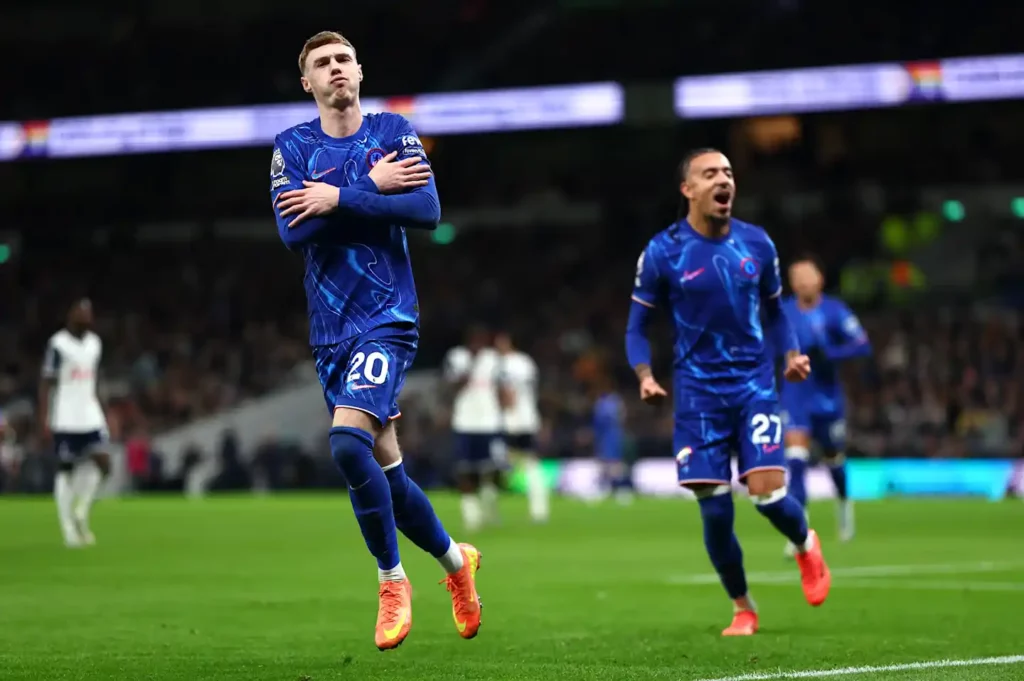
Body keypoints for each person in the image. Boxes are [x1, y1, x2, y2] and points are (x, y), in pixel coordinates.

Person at [268, 31, 481, 651]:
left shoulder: (392, 132)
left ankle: (392, 581)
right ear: (306, 83)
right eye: (321, 64)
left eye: (342, 59)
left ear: (359, 70)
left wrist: (339, 195)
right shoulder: (292, 147)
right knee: (385, 469)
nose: (335, 69)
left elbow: (427, 210)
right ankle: (456, 566)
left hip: (388, 314)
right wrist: (370, 190)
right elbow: (291, 230)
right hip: (330, 329)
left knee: (343, 444)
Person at [624, 148, 831, 636]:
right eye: (711, 173)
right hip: (697, 395)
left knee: (765, 493)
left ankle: (806, 544)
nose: (725, 180)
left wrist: (792, 354)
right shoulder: (662, 251)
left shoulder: (757, 245)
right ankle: (744, 607)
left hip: (754, 385)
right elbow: (637, 325)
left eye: (730, 173)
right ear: (688, 189)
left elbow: (777, 313)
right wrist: (643, 374)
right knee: (715, 509)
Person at [780, 255, 872, 553]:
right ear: (792, 284)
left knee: (834, 459)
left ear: (819, 279)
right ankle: (799, 534)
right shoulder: (784, 312)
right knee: (795, 460)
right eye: (799, 277)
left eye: (810, 275)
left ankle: (844, 506)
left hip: (827, 397)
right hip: (795, 396)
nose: (805, 282)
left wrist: (830, 353)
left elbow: (862, 344)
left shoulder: (835, 311)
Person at [39, 299, 110, 548]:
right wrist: (44, 419)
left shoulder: (94, 343)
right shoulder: (58, 344)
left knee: (104, 463)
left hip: (90, 412)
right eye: (82, 312)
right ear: (71, 315)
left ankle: (81, 511)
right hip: (66, 415)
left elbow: (94, 378)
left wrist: (102, 407)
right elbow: (46, 382)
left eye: (90, 313)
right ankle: (68, 529)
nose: (87, 317)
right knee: (66, 470)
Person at [443, 326, 504, 530]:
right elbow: (450, 387)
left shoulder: (493, 359)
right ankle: (470, 513)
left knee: (491, 468)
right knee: (465, 469)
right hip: (465, 422)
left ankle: (491, 508)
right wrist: (469, 367)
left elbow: (502, 387)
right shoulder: (456, 357)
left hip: (489, 422)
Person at [494, 332, 548, 523]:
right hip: (529, 418)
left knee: (497, 463)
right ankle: (539, 509)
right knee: (531, 463)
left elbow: (509, 395)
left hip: (510, 421)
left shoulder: (504, 364)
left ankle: (494, 512)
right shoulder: (527, 362)